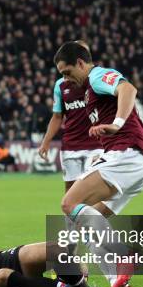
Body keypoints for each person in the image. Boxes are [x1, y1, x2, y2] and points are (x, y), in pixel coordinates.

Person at [53, 41, 143, 287]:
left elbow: (128, 88)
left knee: (69, 203)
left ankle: (123, 254)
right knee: (90, 225)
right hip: (131, 162)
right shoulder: (87, 91)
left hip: (128, 155)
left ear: (80, 63)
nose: (65, 79)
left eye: (66, 72)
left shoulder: (97, 75)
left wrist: (117, 124)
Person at [39, 40, 104, 192]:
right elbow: (57, 117)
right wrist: (46, 142)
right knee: (70, 193)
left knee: (92, 191)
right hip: (71, 146)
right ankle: (75, 217)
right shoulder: (60, 85)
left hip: (97, 145)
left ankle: (96, 216)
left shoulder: (97, 81)